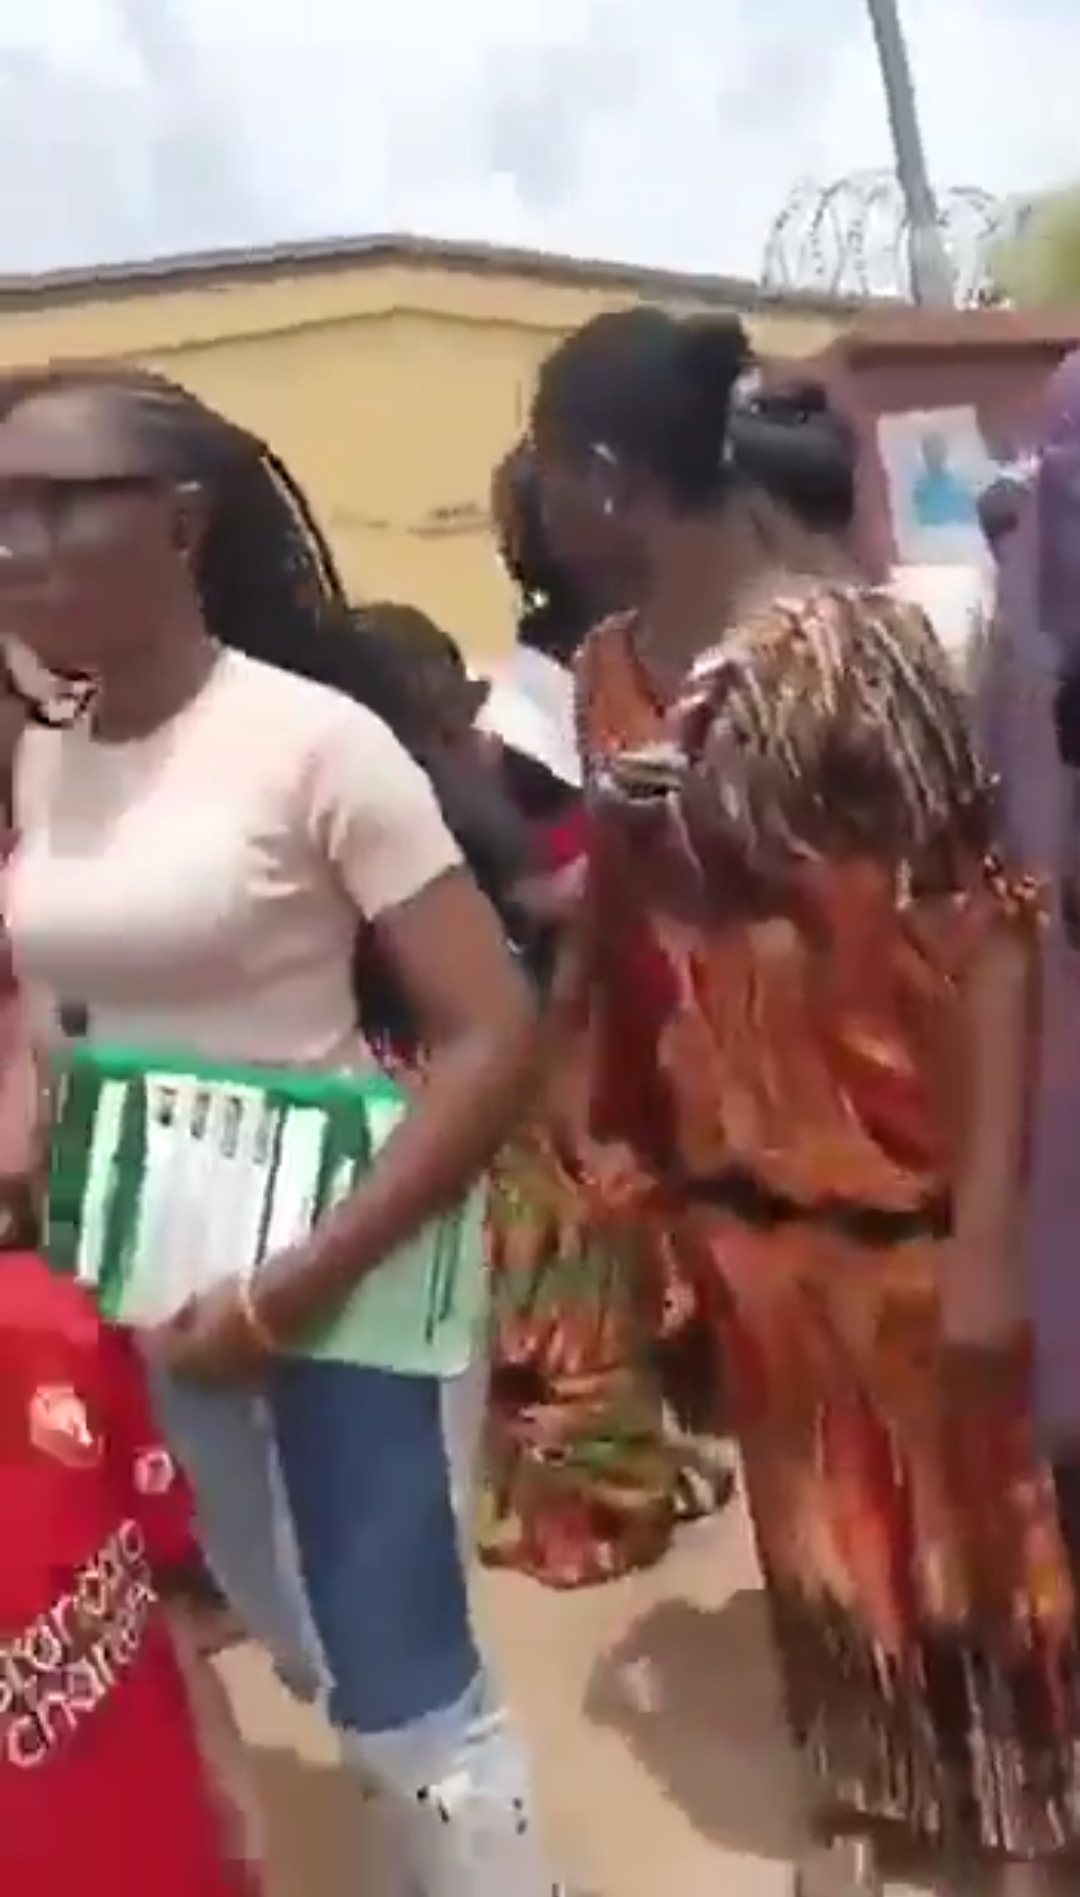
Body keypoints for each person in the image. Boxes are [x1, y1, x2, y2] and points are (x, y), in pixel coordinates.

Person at [529, 305, 1079, 1888]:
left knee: (983, 1526)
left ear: (612, 478)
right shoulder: (607, 672)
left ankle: (1032, 1821)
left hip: (904, 1173)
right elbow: (628, 925)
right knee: (817, 1510)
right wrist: (613, 1127)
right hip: (738, 1179)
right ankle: (892, 1779)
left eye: (549, 469)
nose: (536, 502)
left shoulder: (852, 653)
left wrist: (991, 1237)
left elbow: (987, 934)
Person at [0, 365, 560, 1897]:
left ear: (182, 524)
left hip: (347, 1263)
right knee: (299, 1638)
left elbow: (493, 1029)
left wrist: (294, 1286)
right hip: (156, 1277)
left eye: (61, 503)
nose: (18, 543)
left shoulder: (315, 744)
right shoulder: (47, 754)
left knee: (404, 1679)